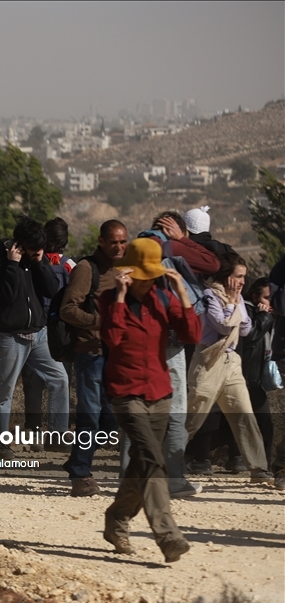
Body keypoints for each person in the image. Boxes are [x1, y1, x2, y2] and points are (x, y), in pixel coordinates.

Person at [100, 238, 200, 562]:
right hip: (126, 391)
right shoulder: (109, 299)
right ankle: (168, 536)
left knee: (143, 463)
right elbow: (112, 338)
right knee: (153, 457)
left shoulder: (163, 297)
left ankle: (116, 519)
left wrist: (182, 292)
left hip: (159, 391)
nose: (148, 279)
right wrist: (119, 297)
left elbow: (192, 335)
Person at [184, 254, 274, 484]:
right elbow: (224, 326)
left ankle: (258, 468)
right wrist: (234, 305)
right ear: (227, 277)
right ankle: (161, 460)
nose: (242, 282)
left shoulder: (238, 299)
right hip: (208, 360)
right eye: (239, 276)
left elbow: (244, 329)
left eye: (244, 277)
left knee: (244, 413)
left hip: (231, 361)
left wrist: (234, 308)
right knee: (193, 416)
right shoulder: (209, 295)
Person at [0, 216, 67, 457]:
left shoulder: (36, 259)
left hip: (38, 334)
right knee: (5, 391)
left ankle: (57, 435)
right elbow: (7, 295)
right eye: (34, 249)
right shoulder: (1, 259)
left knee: (60, 379)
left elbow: (51, 289)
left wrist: (40, 262)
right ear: (19, 245)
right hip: (12, 337)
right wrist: (13, 265)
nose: (37, 252)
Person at [59, 220, 128, 496]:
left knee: (111, 418)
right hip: (90, 353)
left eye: (123, 242)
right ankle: (81, 475)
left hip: (115, 355)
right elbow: (68, 309)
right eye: (113, 242)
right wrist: (101, 322)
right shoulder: (87, 269)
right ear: (101, 241)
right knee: (89, 417)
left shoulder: (123, 270)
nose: (119, 247)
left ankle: (77, 459)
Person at [22, 217, 75, 444]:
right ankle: (57, 433)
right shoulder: (69, 264)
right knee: (61, 380)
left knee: (33, 384)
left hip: (34, 326)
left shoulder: (34, 260)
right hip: (60, 331)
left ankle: (33, 434)